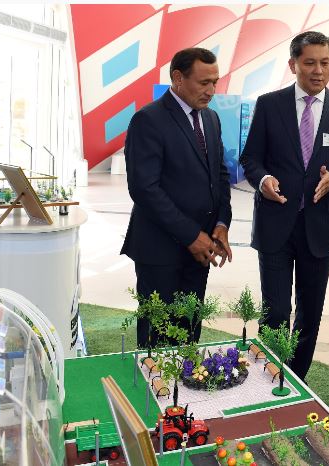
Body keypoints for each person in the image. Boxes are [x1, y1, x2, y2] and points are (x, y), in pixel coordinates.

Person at [239, 31, 329, 381]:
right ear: (293, 65)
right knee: (276, 310)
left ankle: (296, 378)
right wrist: (263, 179)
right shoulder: (269, 105)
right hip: (275, 224)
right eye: (310, 63)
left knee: (310, 312)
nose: (318, 71)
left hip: (318, 227)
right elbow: (251, 158)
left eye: (325, 63)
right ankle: (267, 375)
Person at [121, 48, 232, 347]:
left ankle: (188, 378)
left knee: (188, 332)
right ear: (178, 78)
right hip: (161, 252)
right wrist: (191, 236)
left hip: (201, 250)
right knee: (158, 340)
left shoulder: (211, 119)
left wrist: (221, 223)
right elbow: (144, 189)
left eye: (215, 82)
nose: (211, 91)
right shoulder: (148, 120)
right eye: (204, 82)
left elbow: (220, 176)